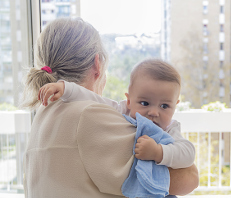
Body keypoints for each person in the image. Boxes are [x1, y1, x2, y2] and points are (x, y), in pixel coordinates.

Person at [20, 17, 198, 198]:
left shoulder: (44, 113)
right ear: (97, 65)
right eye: (145, 103)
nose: (153, 112)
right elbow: (188, 178)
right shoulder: (89, 115)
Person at [39, 59, 196, 169]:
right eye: (145, 103)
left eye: (164, 106)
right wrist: (66, 89)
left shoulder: (170, 128)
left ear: (175, 106)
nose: (154, 112)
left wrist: (158, 152)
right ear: (128, 100)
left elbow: (188, 153)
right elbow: (95, 100)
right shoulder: (122, 111)